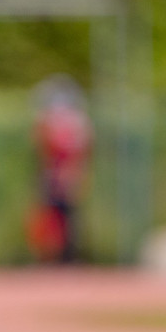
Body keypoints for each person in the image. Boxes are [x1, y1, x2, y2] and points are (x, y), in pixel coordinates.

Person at [31, 76, 93, 264]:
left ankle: (68, 258)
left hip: (67, 175)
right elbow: (42, 145)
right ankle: (48, 257)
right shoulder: (49, 122)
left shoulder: (77, 123)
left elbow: (82, 149)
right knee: (49, 217)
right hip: (51, 174)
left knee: (69, 218)